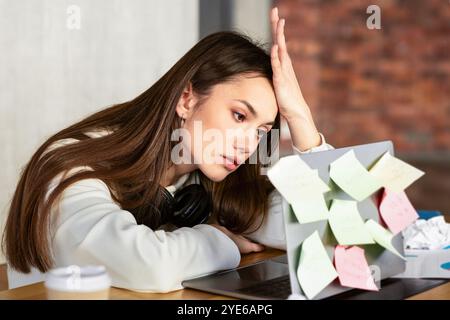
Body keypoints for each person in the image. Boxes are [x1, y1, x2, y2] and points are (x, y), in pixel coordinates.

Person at [2, 7, 333, 292]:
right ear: (186, 99)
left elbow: (327, 230)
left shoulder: (207, 183)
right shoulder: (73, 164)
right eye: (239, 115)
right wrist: (221, 242)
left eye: (261, 131)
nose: (248, 144)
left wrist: (302, 122)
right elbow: (148, 265)